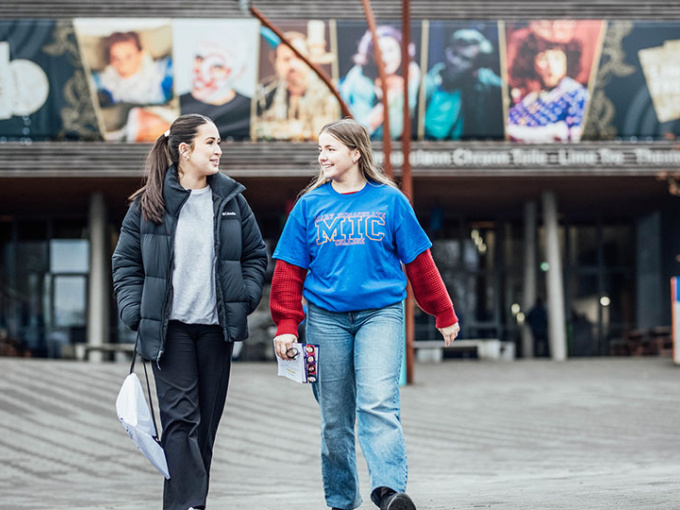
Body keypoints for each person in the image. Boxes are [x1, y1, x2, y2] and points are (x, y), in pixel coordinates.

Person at [269, 118, 460, 510]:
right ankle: (341, 500)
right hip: (326, 318)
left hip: (380, 315)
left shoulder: (389, 201)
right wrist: (287, 325)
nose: (322, 156)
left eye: (331, 148)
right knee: (335, 419)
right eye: (320, 149)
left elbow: (420, 262)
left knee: (377, 402)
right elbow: (288, 271)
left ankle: (389, 492)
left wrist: (443, 312)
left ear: (356, 153)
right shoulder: (310, 205)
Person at [111, 113, 267, 510]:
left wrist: (244, 297)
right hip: (170, 330)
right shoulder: (150, 204)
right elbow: (125, 264)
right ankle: (190, 506)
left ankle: (182, 504)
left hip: (217, 331)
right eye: (211, 142)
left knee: (203, 432)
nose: (218, 150)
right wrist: (136, 311)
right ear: (185, 150)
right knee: (181, 421)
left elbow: (255, 255)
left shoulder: (232, 201)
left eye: (219, 143)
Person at [339, 25, 420, 140]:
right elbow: (359, 132)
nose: (385, 58)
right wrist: (384, 103)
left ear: (401, 51)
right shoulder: (359, 79)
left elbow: (410, 113)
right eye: (379, 52)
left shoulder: (411, 70)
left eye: (391, 50)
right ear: (371, 54)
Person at [254, 31, 339, 140]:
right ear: (276, 63)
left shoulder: (329, 94)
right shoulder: (264, 96)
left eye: (298, 57)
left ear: (309, 59)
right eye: (286, 59)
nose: (292, 65)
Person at [506, 32, 587, 142]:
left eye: (557, 58)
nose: (550, 66)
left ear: (567, 62)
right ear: (533, 64)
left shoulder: (576, 94)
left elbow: (573, 136)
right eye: (543, 58)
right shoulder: (532, 98)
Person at [424, 28, 503, 140]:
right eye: (453, 53)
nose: (454, 61)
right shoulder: (427, 83)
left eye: (465, 59)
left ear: (475, 67)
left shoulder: (480, 84)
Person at [180, 42, 251, 140]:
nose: (202, 72)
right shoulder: (177, 105)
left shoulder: (252, 110)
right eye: (200, 59)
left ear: (238, 71)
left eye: (217, 66)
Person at [93, 31, 173, 106]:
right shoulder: (107, 79)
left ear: (140, 55)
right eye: (115, 58)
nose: (122, 63)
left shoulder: (158, 72)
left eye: (128, 57)